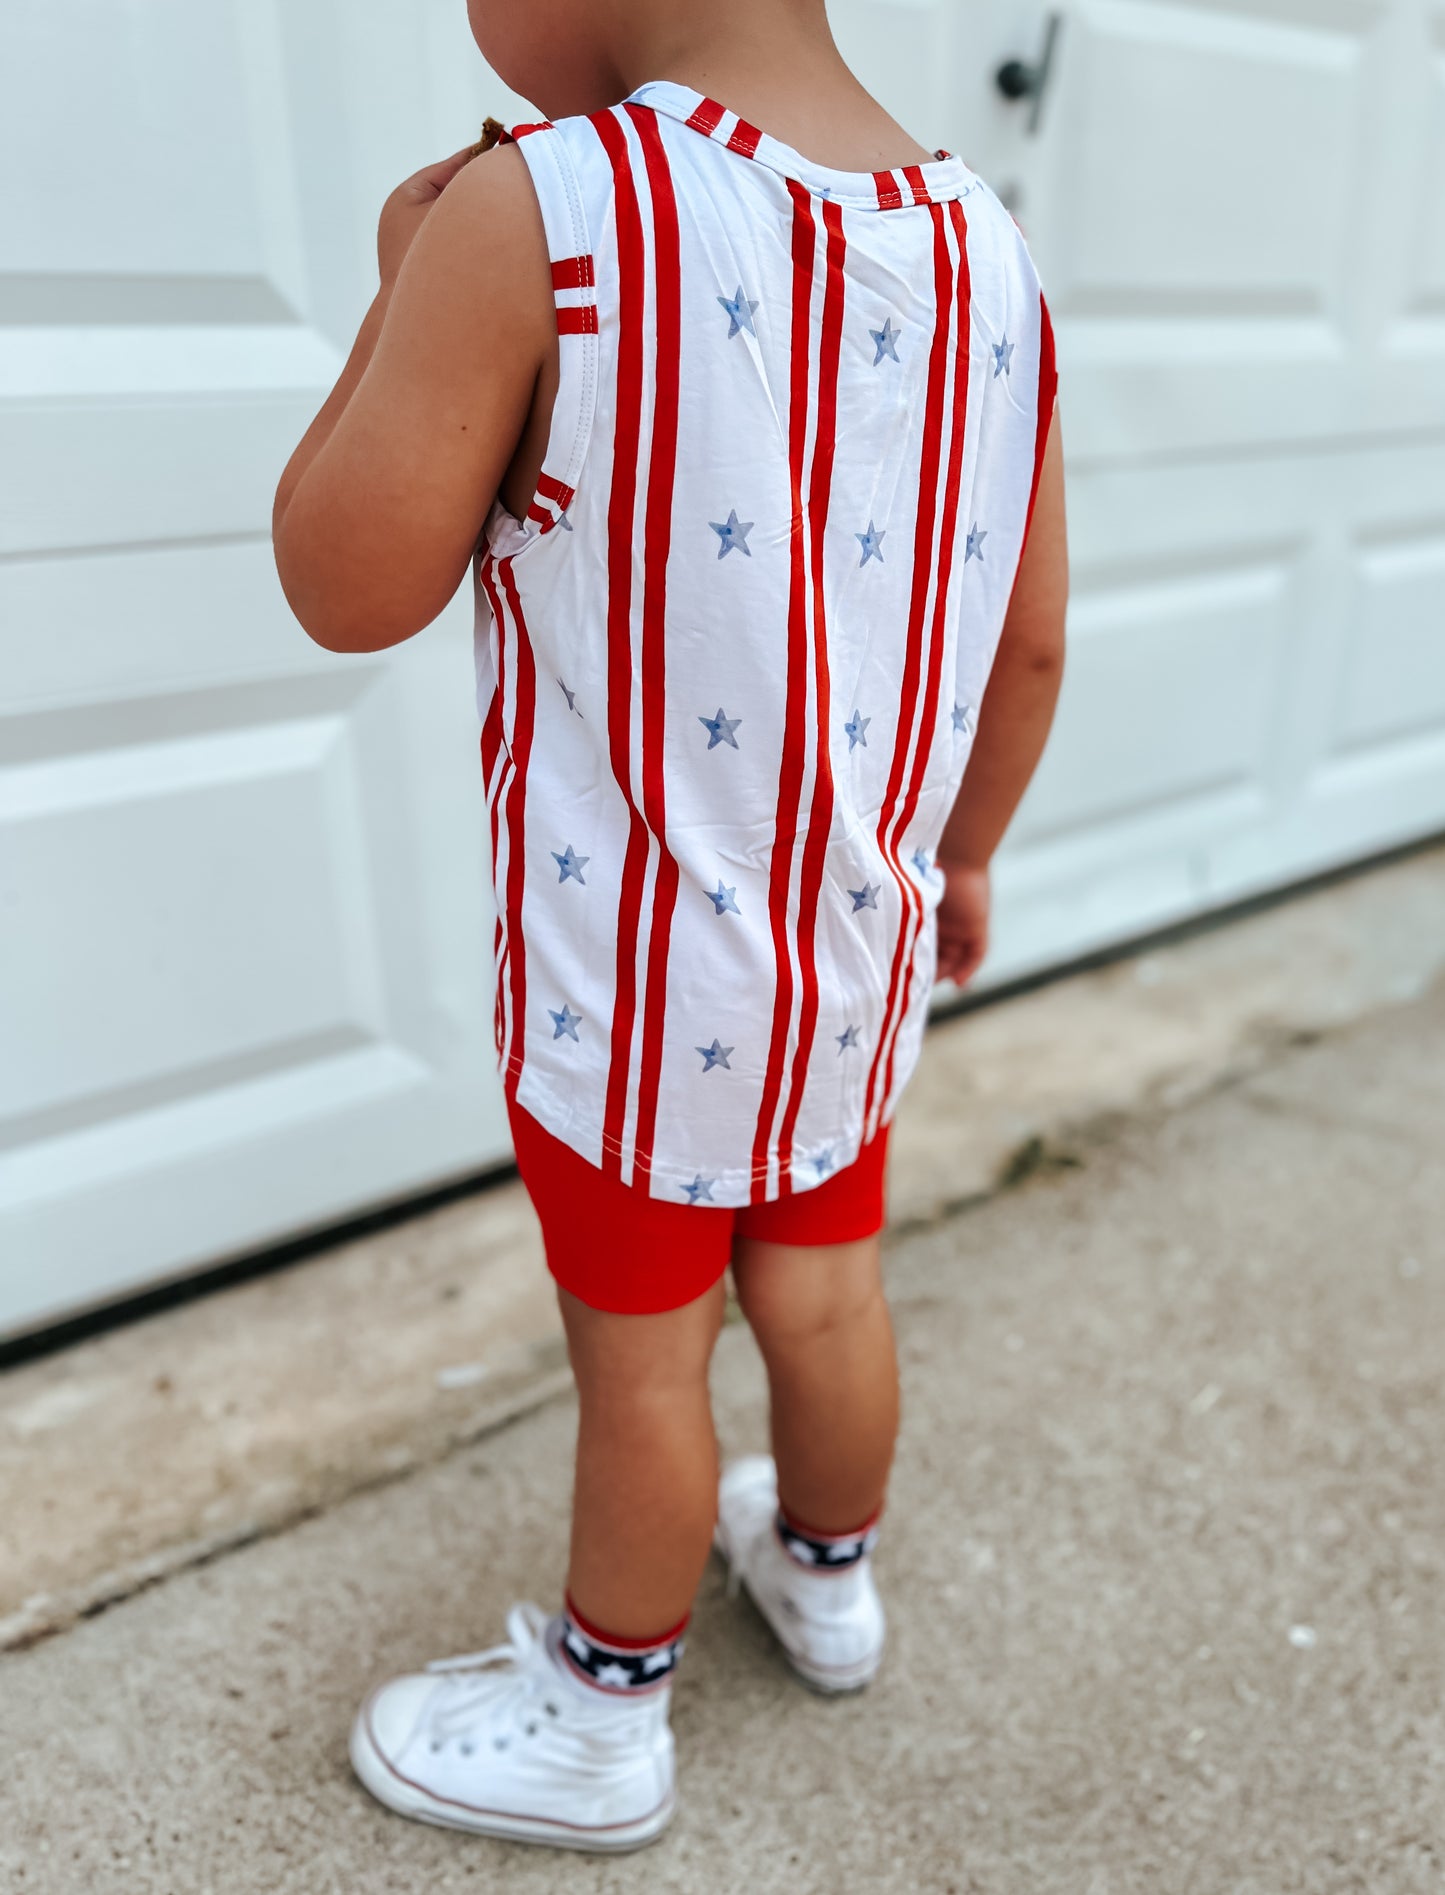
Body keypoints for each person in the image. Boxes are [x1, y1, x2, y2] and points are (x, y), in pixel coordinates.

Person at [273, 0, 1067, 1855]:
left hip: (629, 996)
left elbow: (341, 579)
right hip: (848, 960)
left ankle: (596, 1717)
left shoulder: (540, 212)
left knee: (645, 1362)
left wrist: (408, 286)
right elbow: (1023, 641)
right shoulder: (989, 260)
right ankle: (826, 1584)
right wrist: (962, 864)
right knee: (823, 1285)